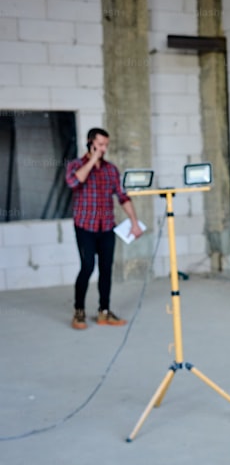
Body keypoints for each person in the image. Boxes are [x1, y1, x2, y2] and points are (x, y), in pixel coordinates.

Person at [66, 127, 143, 330]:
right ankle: (79, 311)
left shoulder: (111, 170)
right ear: (90, 143)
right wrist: (92, 160)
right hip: (85, 227)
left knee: (106, 269)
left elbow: (123, 197)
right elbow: (74, 182)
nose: (103, 149)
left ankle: (104, 311)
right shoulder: (76, 165)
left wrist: (134, 222)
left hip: (107, 227)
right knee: (87, 267)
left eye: (106, 145)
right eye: (100, 144)